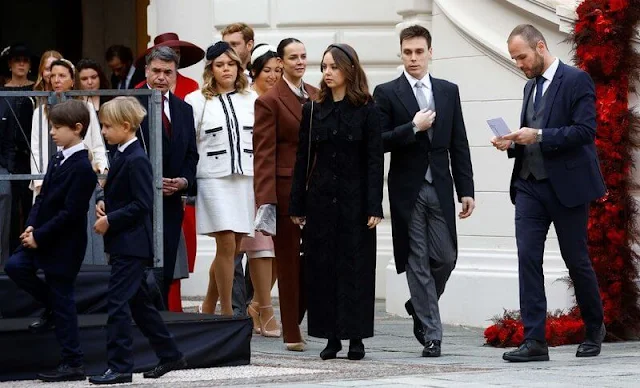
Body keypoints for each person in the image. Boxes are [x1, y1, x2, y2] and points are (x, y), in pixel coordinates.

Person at [493, 24, 606, 362]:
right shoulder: (529, 88)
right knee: (527, 257)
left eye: (522, 57)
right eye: (514, 59)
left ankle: (595, 326)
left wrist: (538, 135)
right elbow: (530, 137)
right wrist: (511, 142)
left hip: (567, 188)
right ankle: (534, 342)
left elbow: (585, 131)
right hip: (528, 186)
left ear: (540, 47)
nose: (519, 64)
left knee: (576, 261)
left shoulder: (576, 80)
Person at [373, 25, 475, 358]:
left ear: (431, 52)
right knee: (417, 260)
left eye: (419, 51)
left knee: (446, 257)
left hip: (441, 186)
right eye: (407, 52)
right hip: (407, 189)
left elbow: (459, 143)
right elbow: (379, 142)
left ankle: (418, 305)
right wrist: (412, 128)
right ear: (400, 53)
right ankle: (433, 334)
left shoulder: (448, 90)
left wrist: (466, 189)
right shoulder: (387, 92)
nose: (413, 58)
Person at [289, 44, 383, 360]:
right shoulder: (313, 110)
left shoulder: (369, 110)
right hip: (320, 202)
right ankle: (331, 337)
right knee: (323, 268)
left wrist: (374, 205)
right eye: (324, 67)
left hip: (355, 203)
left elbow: (374, 161)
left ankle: (356, 337)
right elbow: (302, 160)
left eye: (333, 67)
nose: (327, 73)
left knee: (356, 268)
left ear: (349, 70)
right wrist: (297, 205)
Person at [90, 97, 186, 385]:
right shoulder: (123, 154)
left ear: (125, 126)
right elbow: (125, 197)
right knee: (139, 305)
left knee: (117, 303)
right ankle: (170, 354)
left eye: (107, 126)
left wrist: (111, 220)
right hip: (125, 243)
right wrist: (106, 203)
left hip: (132, 245)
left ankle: (120, 366)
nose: (103, 132)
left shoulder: (137, 159)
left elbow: (142, 204)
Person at [4, 99, 98, 382]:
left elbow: (71, 214)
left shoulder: (82, 167)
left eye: (58, 127)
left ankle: (73, 362)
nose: (53, 133)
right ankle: (51, 307)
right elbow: (43, 196)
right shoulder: (59, 157)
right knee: (15, 266)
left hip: (64, 245)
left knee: (63, 298)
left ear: (77, 129)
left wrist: (39, 237)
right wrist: (31, 225)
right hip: (41, 235)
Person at [253, 37, 319, 351]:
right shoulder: (270, 101)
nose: (300, 61)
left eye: (304, 56)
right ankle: (292, 331)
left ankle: (299, 315)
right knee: (289, 261)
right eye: (293, 57)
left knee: (317, 260)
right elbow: (263, 154)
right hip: (285, 190)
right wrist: (265, 199)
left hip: (318, 188)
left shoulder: (318, 95)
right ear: (281, 62)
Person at [133, 32, 204, 312]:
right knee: (139, 268)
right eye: (157, 71)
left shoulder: (184, 110)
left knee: (164, 269)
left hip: (173, 202)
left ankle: (160, 324)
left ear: (175, 74)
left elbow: (191, 155)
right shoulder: (130, 105)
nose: (161, 77)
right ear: (146, 71)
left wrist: (184, 182)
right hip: (139, 201)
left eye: (168, 72)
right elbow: (120, 152)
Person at [184, 41, 256, 317]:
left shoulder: (251, 98)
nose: (226, 69)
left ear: (239, 67)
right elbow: (190, 143)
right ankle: (226, 313)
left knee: (235, 247)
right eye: (219, 65)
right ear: (211, 69)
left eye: (231, 64)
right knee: (225, 243)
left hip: (244, 177)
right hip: (213, 179)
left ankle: (207, 306)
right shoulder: (196, 100)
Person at [239, 43, 282, 336]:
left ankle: (255, 304)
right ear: (254, 71)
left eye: (279, 70)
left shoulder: (287, 98)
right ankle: (266, 309)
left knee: (280, 250)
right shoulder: (245, 100)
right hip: (253, 179)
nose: (274, 76)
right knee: (260, 249)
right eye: (268, 70)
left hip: (282, 180)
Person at [30, 59, 108, 196]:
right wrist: (39, 182)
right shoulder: (40, 112)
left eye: (62, 76)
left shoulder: (86, 108)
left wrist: (103, 170)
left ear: (72, 81)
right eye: (53, 76)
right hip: (48, 180)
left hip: (79, 177)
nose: (56, 80)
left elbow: (97, 143)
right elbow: (35, 150)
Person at [0, 43, 37, 259]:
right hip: (6, 156)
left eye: (25, 60)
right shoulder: (2, 91)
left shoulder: (38, 89)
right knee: (8, 209)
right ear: (10, 64)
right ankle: (10, 255)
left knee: (31, 204)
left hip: (32, 155)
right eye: (17, 60)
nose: (21, 64)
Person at [134, 32, 203, 99]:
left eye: (177, 53)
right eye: (167, 52)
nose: (173, 56)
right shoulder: (139, 90)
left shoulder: (191, 85)